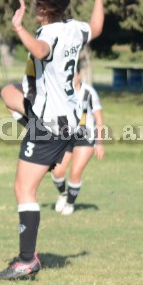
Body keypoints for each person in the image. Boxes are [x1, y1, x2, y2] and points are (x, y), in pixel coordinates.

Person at [0, 0, 107, 280]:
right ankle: (26, 258)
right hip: (66, 120)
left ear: (44, 8)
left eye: (36, 3)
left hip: (48, 125)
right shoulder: (74, 29)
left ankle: (26, 260)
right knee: (8, 92)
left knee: (24, 189)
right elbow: (96, 27)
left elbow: (41, 50)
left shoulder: (50, 34)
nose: (33, 8)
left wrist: (19, 28)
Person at [51, 62, 105, 216]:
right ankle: (63, 194)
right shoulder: (60, 93)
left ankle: (70, 204)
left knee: (75, 172)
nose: (71, 77)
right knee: (57, 171)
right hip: (65, 136)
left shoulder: (89, 92)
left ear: (79, 75)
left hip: (85, 137)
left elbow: (98, 119)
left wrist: (99, 143)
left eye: (73, 73)